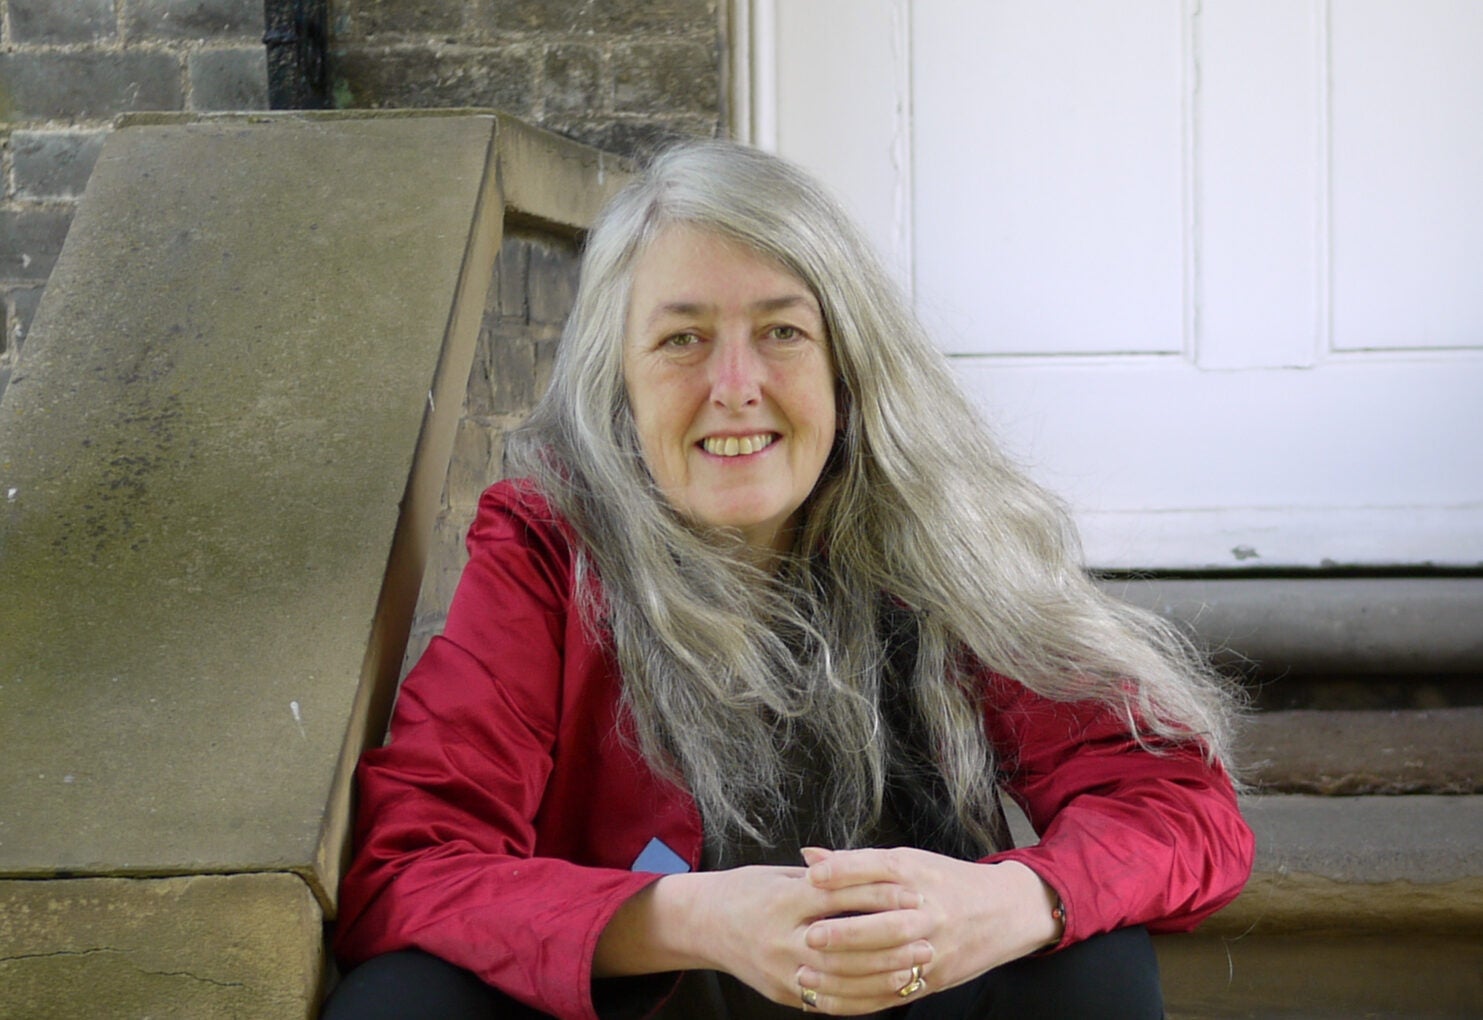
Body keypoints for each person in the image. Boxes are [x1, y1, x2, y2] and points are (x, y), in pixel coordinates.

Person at [326, 140, 1254, 1020]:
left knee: (1092, 959)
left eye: (780, 331)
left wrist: (1010, 900)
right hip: (659, 1004)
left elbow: (1173, 804)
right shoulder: (547, 549)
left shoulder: (931, 533)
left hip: (908, 998)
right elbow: (413, 863)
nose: (735, 384)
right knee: (406, 996)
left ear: (846, 365)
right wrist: (694, 916)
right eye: (682, 340)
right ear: (619, 381)